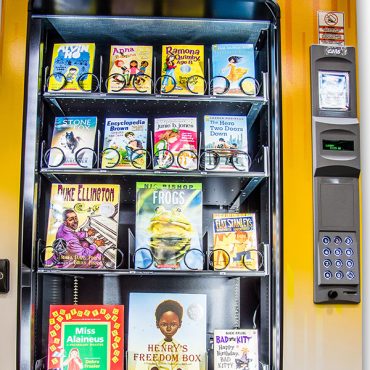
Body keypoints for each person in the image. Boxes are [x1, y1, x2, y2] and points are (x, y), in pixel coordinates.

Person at [151, 300, 186, 370]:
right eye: (164, 324)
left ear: (180, 324)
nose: (169, 329)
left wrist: (180, 368)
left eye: (173, 324)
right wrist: (153, 367)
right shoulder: (157, 347)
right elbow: (152, 362)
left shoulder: (179, 347)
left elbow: (182, 364)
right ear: (157, 324)